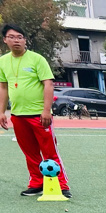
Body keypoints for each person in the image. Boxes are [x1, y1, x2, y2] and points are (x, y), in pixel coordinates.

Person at [0, 23, 71, 197]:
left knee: (50, 151)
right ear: (5, 40)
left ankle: (62, 185)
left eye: (20, 37)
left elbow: (48, 84)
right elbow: (3, 87)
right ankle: (37, 183)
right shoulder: (2, 61)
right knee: (30, 153)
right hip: (18, 115)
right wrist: (2, 112)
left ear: (25, 40)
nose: (16, 40)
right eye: (11, 37)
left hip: (39, 115)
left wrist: (46, 110)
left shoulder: (37, 59)